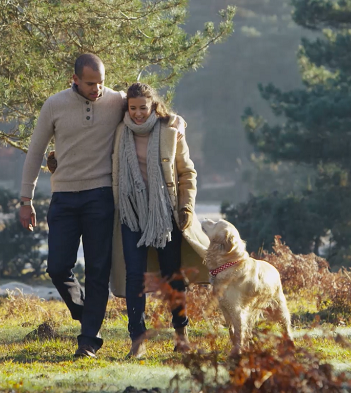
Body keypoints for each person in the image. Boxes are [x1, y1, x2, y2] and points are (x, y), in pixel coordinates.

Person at [18, 54, 125, 358]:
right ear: (75, 79)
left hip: (100, 196)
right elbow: (35, 152)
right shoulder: (55, 104)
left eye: (101, 82)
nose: (97, 89)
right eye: (91, 83)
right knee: (57, 266)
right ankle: (87, 315)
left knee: (98, 269)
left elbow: (150, 109)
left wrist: (177, 123)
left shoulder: (116, 101)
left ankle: (89, 339)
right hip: (63, 197)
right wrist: (26, 200)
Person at [108, 82, 211, 359]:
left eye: (144, 107)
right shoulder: (119, 132)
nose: (139, 114)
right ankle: (137, 340)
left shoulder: (170, 130)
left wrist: (186, 206)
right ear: (126, 108)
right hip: (131, 213)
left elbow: (187, 173)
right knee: (134, 276)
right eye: (133, 108)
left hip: (166, 213)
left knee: (172, 276)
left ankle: (181, 335)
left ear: (154, 105)